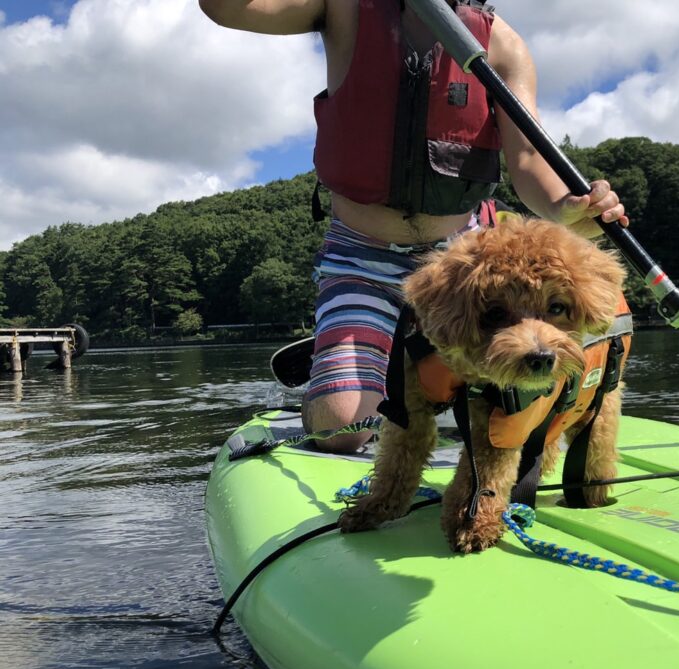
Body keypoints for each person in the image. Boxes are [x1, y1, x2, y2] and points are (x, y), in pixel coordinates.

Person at [199, 0, 628, 452]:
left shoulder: (503, 45)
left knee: (508, 389)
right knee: (338, 432)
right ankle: (350, 355)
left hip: (459, 265)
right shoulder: (343, 8)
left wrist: (566, 206)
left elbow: (526, 158)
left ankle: (400, 361)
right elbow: (227, 9)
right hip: (362, 260)